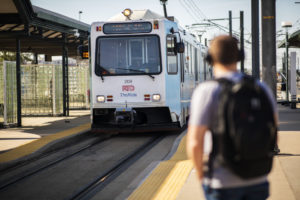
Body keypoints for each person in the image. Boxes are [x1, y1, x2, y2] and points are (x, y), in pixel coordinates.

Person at [186, 35, 277, 200]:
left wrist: (202, 176)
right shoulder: (260, 88)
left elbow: (195, 143)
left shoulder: (207, 91)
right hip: (258, 180)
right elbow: (273, 129)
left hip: (222, 183)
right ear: (240, 57)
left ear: (209, 59)